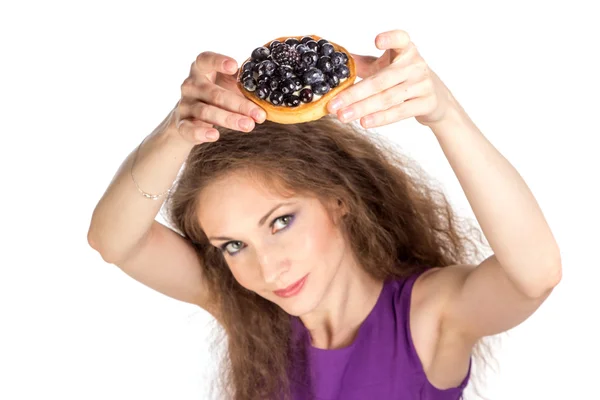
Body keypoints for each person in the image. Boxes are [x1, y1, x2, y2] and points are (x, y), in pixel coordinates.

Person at [87, 29, 562, 400]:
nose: (268, 269)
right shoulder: (249, 311)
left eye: (280, 222)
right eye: (233, 245)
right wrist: (178, 130)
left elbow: (534, 276)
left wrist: (444, 115)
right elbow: (115, 240)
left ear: (338, 200)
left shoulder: (426, 317)